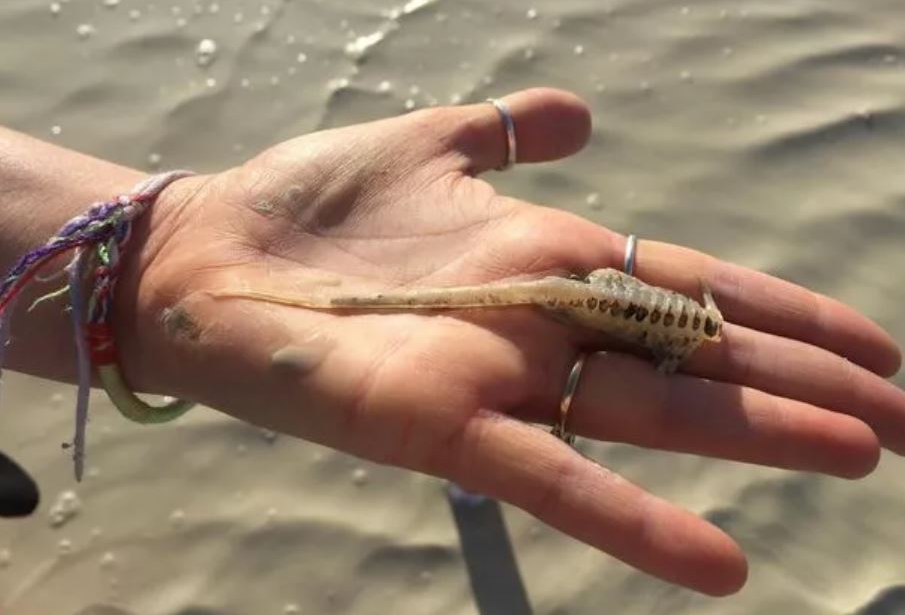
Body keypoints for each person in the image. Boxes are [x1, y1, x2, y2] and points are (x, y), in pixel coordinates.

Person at [1, 88, 902, 595]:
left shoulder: (613, 302)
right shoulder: (611, 308)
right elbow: (621, 316)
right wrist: (163, 261)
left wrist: (159, 260)